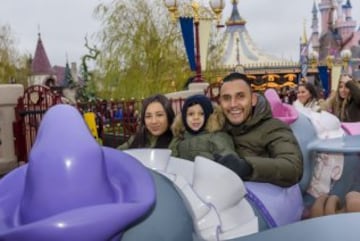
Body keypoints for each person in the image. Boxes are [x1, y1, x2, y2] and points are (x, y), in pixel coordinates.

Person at [217, 72, 303, 187]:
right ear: (220, 102)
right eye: (227, 98)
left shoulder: (273, 127)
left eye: (240, 96)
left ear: (253, 100)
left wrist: (248, 167)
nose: (233, 104)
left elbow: (292, 167)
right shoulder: (217, 130)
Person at [170, 94, 238, 161]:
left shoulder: (217, 137)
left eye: (201, 114)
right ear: (184, 117)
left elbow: (229, 158)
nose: (196, 118)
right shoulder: (178, 139)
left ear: (209, 116)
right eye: (191, 114)